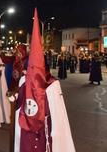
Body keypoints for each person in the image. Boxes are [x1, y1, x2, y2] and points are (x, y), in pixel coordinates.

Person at [14, 9, 75, 152]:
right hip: (26, 126)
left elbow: (58, 112)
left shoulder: (52, 84)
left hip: (43, 128)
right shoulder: (25, 80)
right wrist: (15, 96)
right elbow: (20, 98)